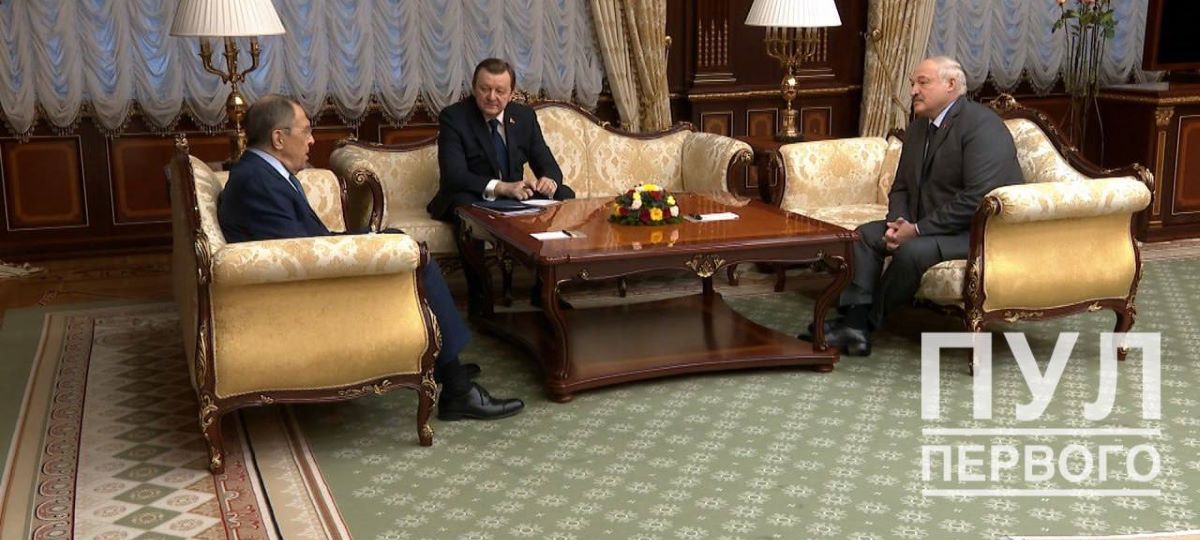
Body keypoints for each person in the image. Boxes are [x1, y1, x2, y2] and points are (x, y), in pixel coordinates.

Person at [218, 94, 524, 421]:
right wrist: (367, 247)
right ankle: (458, 389)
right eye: (305, 130)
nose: (312, 140)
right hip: (308, 297)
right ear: (279, 138)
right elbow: (297, 257)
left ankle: (441, 362)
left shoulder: (261, 172)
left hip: (311, 275)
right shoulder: (257, 182)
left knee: (400, 241)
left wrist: (368, 239)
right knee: (416, 258)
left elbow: (300, 248)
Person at [803, 56, 1023, 356]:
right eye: (912, 83)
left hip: (977, 233)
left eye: (923, 82)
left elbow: (978, 197)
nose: (913, 91)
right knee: (864, 236)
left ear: (951, 84)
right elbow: (901, 187)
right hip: (928, 225)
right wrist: (898, 223)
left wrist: (917, 230)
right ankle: (853, 322)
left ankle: (865, 324)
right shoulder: (919, 128)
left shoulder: (982, 126)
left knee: (911, 252)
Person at [429, 58, 575, 313]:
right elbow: (454, 176)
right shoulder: (454, 117)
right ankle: (481, 297)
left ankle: (544, 289)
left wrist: (548, 181)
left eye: (500, 91)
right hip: (472, 194)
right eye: (485, 89)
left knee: (564, 194)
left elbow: (548, 165)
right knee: (464, 208)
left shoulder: (524, 116)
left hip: (514, 195)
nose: (492, 97)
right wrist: (502, 187)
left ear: (511, 92)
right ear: (474, 87)